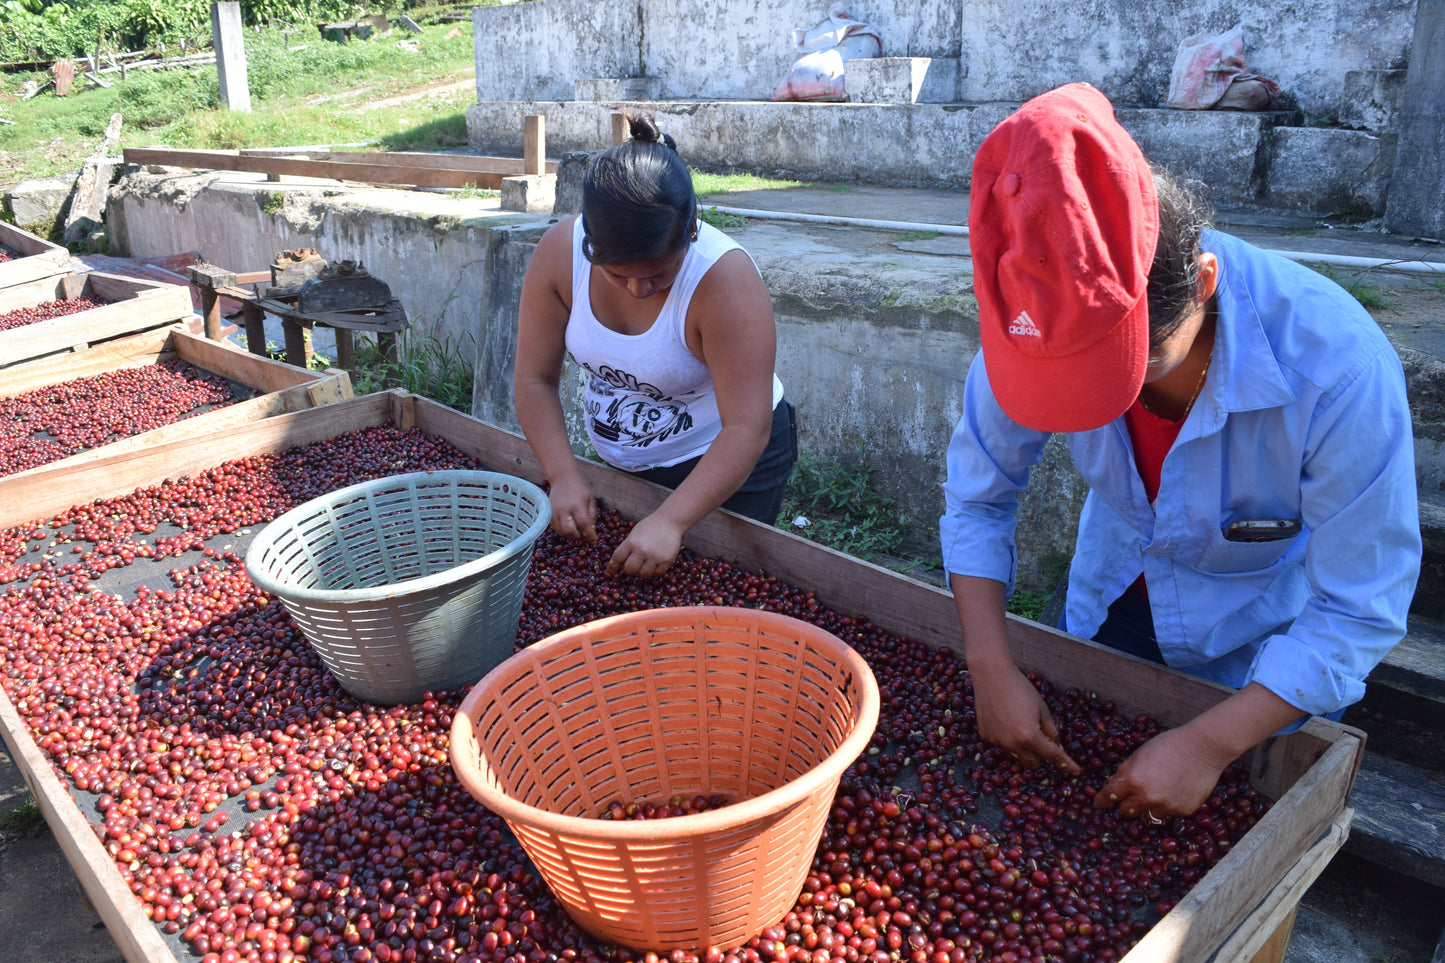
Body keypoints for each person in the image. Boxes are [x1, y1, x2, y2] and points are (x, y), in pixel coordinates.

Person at [940, 83, 1420, 821]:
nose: (1103, 406)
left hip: (1254, 648)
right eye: (1069, 383)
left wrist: (1210, 741)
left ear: (1201, 285)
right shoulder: (1032, 323)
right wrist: (989, 664)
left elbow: (1357, 607)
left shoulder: (1336, 370)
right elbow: (979, 492)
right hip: (1113, 597)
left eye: (1131, 370)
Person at [514, 113, 796, 578]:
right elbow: (533, 379)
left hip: (723, 464)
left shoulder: (724, 284)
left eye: (658, 276)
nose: (637, 291)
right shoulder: (559, 257)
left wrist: (671, 519)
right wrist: (563, 474)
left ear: (689, 234)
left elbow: (746, 428)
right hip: (625, 463)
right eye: (617, 274)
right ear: (591, 243)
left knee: (710, 599)